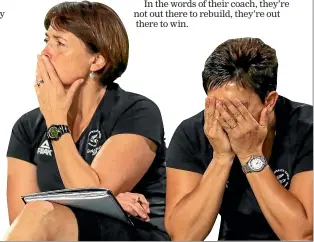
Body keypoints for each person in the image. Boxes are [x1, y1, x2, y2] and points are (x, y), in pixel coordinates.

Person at [4, 1, 169, 241]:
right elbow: (22, 220)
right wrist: (110, 201)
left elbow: (90, 193)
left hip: (135, 232)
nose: (45, 53)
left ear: (97, 61)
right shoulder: (27, 126)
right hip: (70, 231)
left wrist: (55, 122)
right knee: (38, 214)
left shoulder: (137, 111)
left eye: (59, 43)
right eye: (46, 41)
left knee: (42, 211)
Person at [165, 38, 313, 240]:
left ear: (269, 101)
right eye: (216, 105)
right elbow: (183, 235)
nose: (225, 117)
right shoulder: (193, 133)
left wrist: (250, 154)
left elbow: (302, 235)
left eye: (237, 108)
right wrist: (221, 158)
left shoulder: (307, 128)